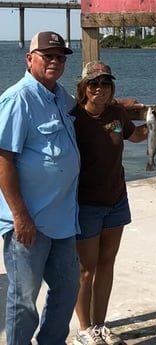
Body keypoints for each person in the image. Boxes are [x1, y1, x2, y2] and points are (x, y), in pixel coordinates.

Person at [71, 60, 156, 345]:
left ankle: (100, 325)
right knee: (86, 269)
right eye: (93, 83)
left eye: (105, 83)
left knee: (107, 263)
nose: (99, 89)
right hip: (85, 204)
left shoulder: (117, 114)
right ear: (84, 87)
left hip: (116, 199)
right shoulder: (73, 117)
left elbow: (138, 136)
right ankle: (84, 329)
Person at [0, 31, 80, 345]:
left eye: (60, 57)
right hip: (28, 223)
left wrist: (122, 107)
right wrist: (20, 215)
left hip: (62, 220)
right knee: (23, 299)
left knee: (67, 289)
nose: (55, 61)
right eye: (48, 55)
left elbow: (85, 112)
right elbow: (3, 159)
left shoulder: (60, 96)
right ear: (30, 58)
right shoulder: (18, 98)